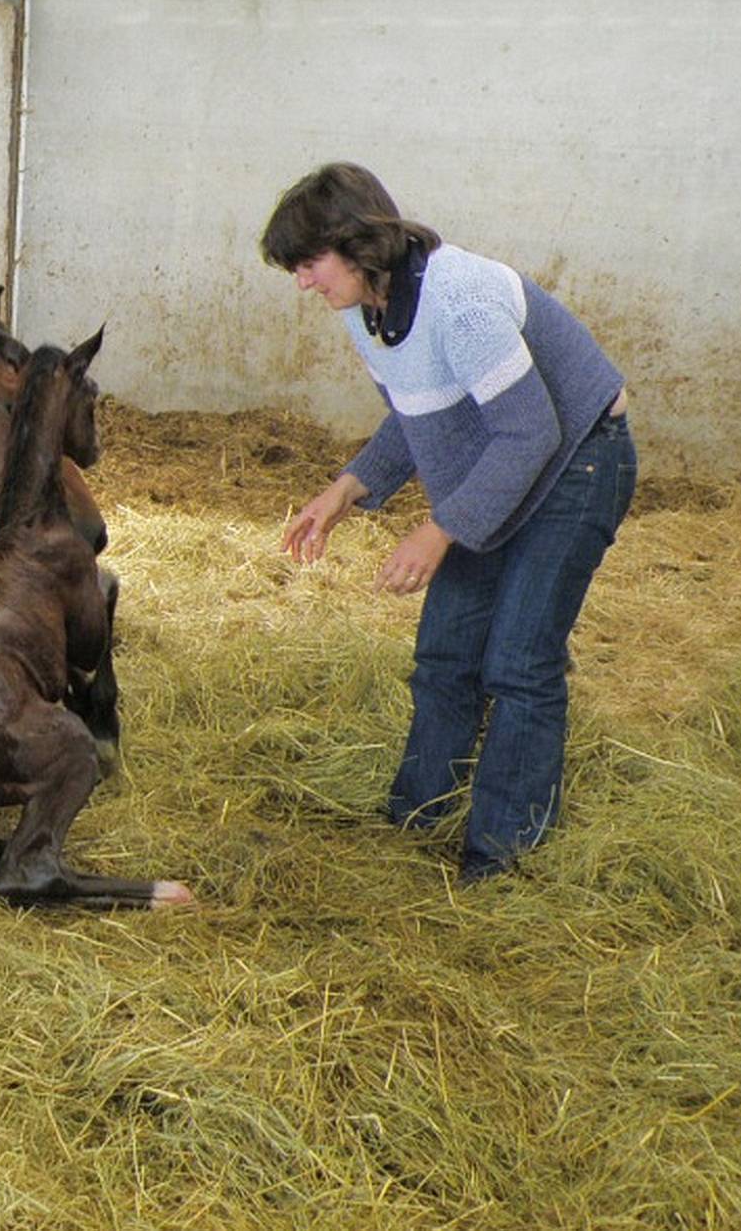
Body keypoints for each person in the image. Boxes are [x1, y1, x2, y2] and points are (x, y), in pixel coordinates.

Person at [262, 162, 637, 883]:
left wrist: (440, 529)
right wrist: (349, 487)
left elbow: (531, 433)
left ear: (357, 245)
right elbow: (415, 410)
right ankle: (421, 814)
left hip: (579, 463)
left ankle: (503, 854)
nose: (303, 283)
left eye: (310, 263)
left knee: (519, 663)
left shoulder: (459, 300)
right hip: (508, 462)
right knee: (445, 653)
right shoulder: (367, 310)